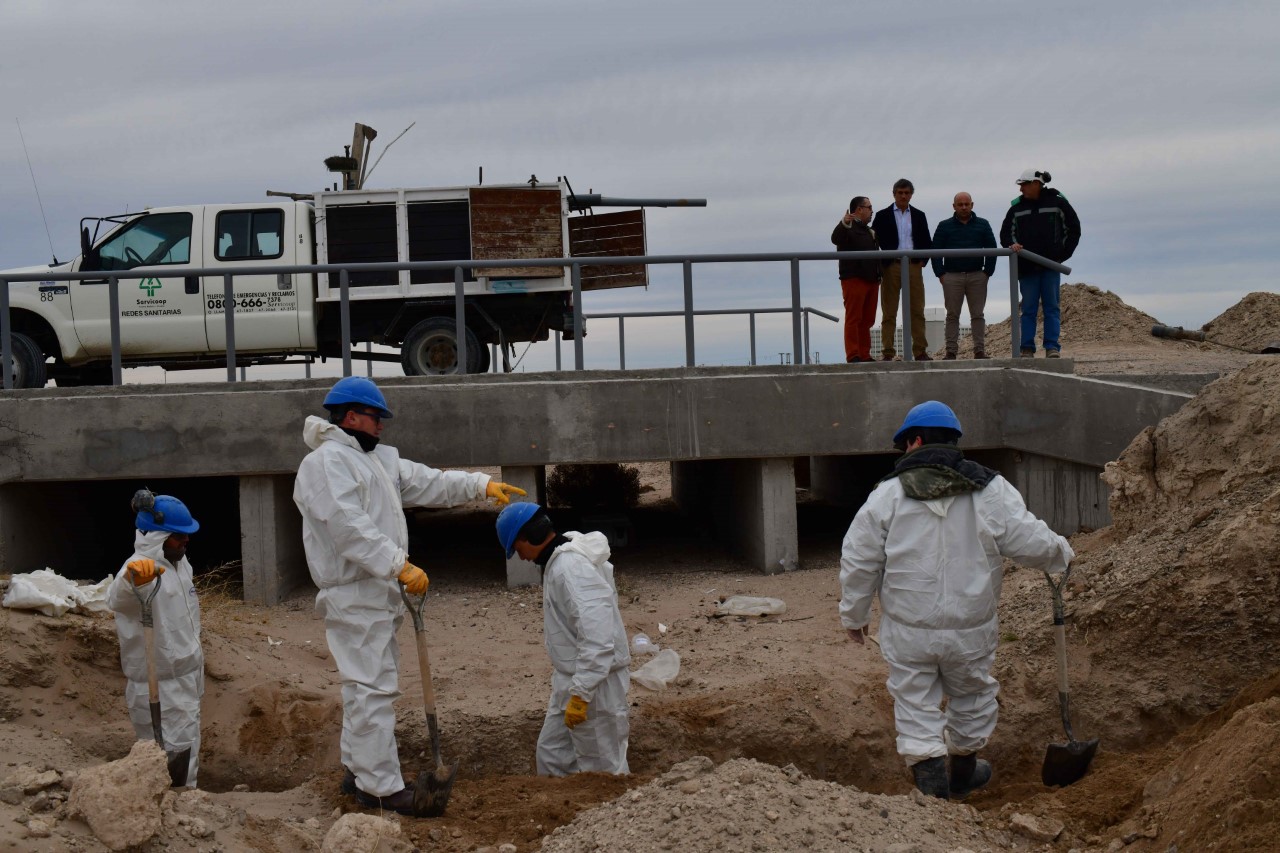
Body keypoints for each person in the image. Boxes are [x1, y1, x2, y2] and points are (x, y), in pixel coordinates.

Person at [293, 375, 526, 815]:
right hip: (354, 592)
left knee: (368, 686)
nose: (382, 425)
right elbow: (345, 526)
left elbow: (428, 482)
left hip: (376, 592)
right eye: (376, 417)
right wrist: (395, 562)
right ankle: (379, 787)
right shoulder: (325, 463)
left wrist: (479, 485)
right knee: (371, 690)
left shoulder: (376, 460)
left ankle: (357, 772)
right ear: (350, 416)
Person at [838, 401, 1074, 800]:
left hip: (910, 629)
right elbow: (1028, 539)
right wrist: (1062, 554)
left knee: (914, 702)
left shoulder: (887, 495)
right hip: (972, 628)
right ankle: (963, 774)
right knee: (973, 695)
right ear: (954, 442)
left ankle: (933, 795)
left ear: (913, 442)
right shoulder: (990, 488)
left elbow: (860, 560)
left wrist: (854, 614)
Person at [496, 502, 630, 776]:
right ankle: (565, 815)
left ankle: (613, 817)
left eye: (517, 548)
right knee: (553, 755)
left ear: (528, 536)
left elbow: (598, 637)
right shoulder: (560, 561)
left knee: (602, 768)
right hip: (572, 678)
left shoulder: (570, 569)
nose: (520, 557)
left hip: (595, 684)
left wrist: (582, 694)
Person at [106, 490, 204, 787]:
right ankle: (179, 811)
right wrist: (132, 582)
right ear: (157, 536)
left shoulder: (180, 564)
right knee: (169, 760)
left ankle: (185, 807)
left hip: (186, 678)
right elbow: (118, 599)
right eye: (178, 536)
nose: (186, 540)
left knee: (187, 750)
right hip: (158, 685)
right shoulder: (138, 570)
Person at [999, 169, 1081, 358]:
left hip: (1050, 267)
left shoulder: (1058, 203)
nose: (1021, 189)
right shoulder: (1016, 209)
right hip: (1027, 268)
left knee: (1052, 307)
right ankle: (1027, 348)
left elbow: (1073, 229)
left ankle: (1052, 347)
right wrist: (1012, 245)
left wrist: (1061, 256)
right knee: (1028, 309)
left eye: (1024, 185)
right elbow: (1006, 234)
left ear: (1036, 184)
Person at [931, 193, 998, 360]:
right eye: (960, 204)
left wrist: (987, 273)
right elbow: (935, 251)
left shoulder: (983, 224)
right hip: (952, 276)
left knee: (978, 315)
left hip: (977, 275)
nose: (963, 207)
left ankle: (979, 351)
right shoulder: (944, 226)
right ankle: (951, 352)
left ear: (972, 205)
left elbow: (992, 249)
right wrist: (940, 274)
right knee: (952, 315)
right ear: (953, 206)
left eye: (966, 204)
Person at [871, 179, 932, 361]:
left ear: (911, 194)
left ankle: (920, 351)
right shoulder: (882, 215)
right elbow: (873, 241)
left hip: (913, 265)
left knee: (917, 310)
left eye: (907, 193)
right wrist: (882, 263)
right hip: (891, 265)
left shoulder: (919, 215)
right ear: (894, 194)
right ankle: (888, 352)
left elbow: (927, 241)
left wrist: (923, 261)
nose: (903, 196)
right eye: (900, 193)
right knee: (889, 311)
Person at [831, 196, 882, 363]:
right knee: (854, 318)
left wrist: (878, 275)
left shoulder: (869, 231)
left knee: (867, 319)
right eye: (869, 207)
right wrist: (844, 223)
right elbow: (835, 239)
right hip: (854, 279)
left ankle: (864, 354)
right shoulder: (848, 228)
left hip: (872, 280)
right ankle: (853, 355)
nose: (872, 211)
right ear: (859, 209)